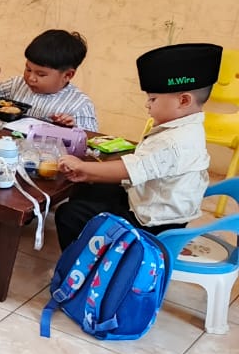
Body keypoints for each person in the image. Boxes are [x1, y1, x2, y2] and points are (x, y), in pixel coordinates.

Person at [54, 42, 221, 249]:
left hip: (154, 223)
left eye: (153, 99)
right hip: (154, 204)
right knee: (91, 187)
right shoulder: (189, 127)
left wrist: (82, 166)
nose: (147, 104)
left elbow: (130, 169)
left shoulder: (174, 141)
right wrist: (89, 175)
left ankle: (86, 273)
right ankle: (92, 249)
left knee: (69, 215)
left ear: (183, 101)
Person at [0, 29, 98, 131]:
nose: (31, 78)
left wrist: (71, 129)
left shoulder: (80, 105)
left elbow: (89, 144)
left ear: (68, 75)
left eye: (41, 74)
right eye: (28, 69)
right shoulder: (17, 84)